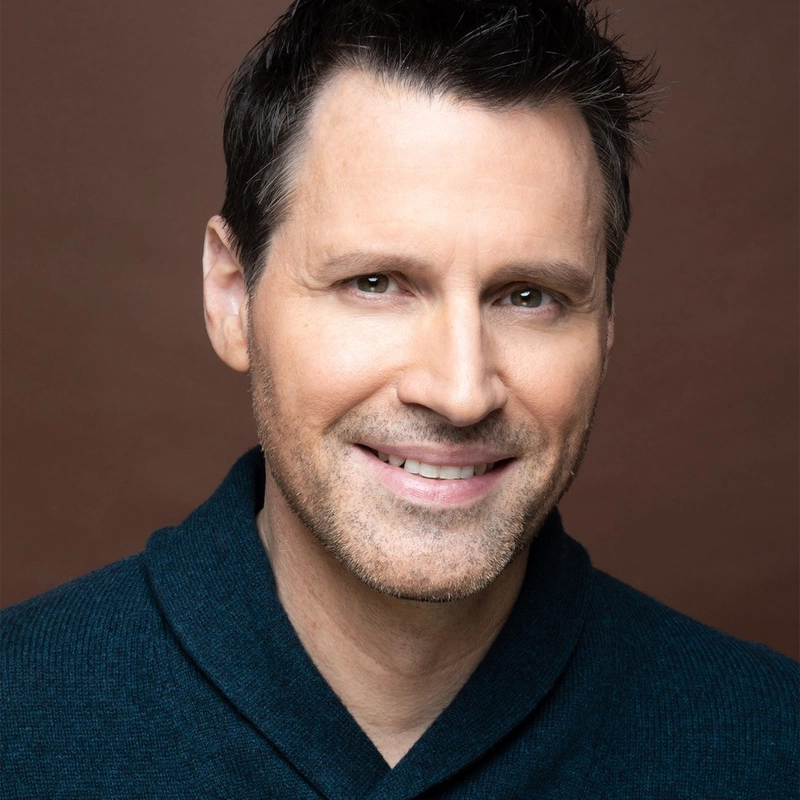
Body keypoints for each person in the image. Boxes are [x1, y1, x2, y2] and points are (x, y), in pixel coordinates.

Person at [2, 0, 797, 796]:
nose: (459, 391)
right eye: (375, 283)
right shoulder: (20, 717)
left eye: (528, 296)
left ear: (609, 324)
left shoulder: (770, 746)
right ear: (232, 293)